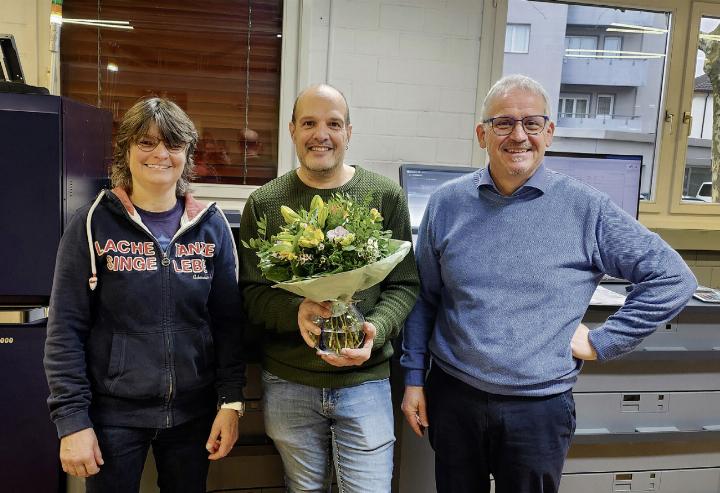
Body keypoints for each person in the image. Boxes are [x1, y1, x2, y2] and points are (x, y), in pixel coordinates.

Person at [400, 74, 697, 493]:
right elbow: (424, 298)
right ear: (482, 133)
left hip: (537, 411)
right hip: (454, 397)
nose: (518, 136)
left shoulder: (585, 208)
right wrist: (414, 378)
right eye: (503, 123)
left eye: (532, 123)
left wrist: (603, 342)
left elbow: (673, 277)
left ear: (549, 132)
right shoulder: (447, 204)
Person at [44, 97, 246, 493]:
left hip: (194, 416)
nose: (160, 155)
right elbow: (65, 330)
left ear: (186, 155)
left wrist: (231, 403)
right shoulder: (91, 225)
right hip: (112, 418)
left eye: (173, 145)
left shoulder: (212, 227)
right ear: (126, 151)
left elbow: (228, 324)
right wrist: (72, 422)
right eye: (146, 143)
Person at [238, 84, 419, 493]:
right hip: (289, 384)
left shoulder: (384, 195)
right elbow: (252, 292)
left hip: (365, 382)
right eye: (309, 123)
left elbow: (405, 284)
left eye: (333, 123)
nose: (321, 133)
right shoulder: (265, 204)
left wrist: (376, 328)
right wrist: (295, 312)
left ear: (349, 132)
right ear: (292, 130)